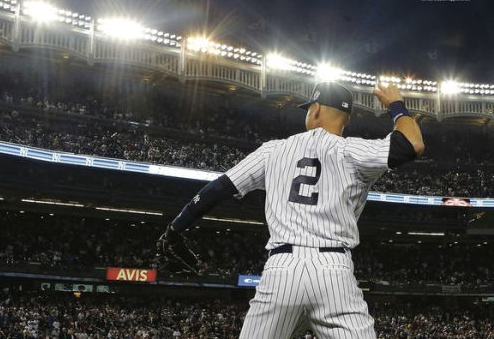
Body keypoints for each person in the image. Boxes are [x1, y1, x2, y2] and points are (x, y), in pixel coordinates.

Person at [160, 81, 424, 338]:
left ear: (317, 109)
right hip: (334, 271)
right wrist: (397, 106)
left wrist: (175, 228)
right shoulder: (353, 150)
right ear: (347, 120)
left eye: (309, 108)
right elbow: (412, 144)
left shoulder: (274, 150)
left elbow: (219, 188)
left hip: (283, 268)